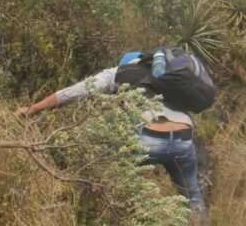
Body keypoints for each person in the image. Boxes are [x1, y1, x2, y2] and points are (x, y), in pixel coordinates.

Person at [14, 51, 210, 223]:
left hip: (146, 135)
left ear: (125, 63)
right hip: (184, 136)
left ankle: (90, 215)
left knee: (98, 168)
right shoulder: (165, 76)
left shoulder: (117, 73)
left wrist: (32, 109)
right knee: (192, 197)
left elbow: (71, 94)